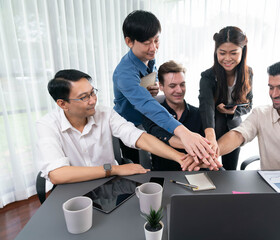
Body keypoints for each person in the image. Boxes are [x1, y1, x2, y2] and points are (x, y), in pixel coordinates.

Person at [37, 69, 191, 185]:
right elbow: (57, 175)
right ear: (62, 104)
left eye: (92, 93)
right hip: (71, 189)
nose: (92, 101)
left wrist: (180, 157)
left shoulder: (104, 113)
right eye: (84, 97)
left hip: (109, 187)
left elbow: (137, 136)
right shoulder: (47, 125)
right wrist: (113, 169)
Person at [112, 10, 217, 167]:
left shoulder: (149, 58)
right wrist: (184, 133)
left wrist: (150, 91)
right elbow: (147, 105)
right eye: (147, 43)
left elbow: (145, 97)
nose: (153, 48)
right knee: (138, 171)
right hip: (130, 126)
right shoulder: (124, 73)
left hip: (149, 119)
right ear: (129, 41)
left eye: (156, 40)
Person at [143, 61, 218, 171]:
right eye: (172, 86)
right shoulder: (152, 113)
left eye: (182, 84)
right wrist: (193, 145)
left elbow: (210, 146)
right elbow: (159, 137)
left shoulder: (200, 115)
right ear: (161, 86)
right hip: (165, 175)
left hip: (198, 172)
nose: (179, 90)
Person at [198, 26, 253, 170]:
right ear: (216, 52)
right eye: (222, 53)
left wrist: (233, 112)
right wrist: (210, 135)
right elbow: (206, 106)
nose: (227, 58)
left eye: (233, 53)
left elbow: (249, 104)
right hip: (212, 128)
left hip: (234, 130)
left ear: (243, 51)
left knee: (230, 172)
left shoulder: (248, 74)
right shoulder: (207, 77)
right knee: (209, 169)